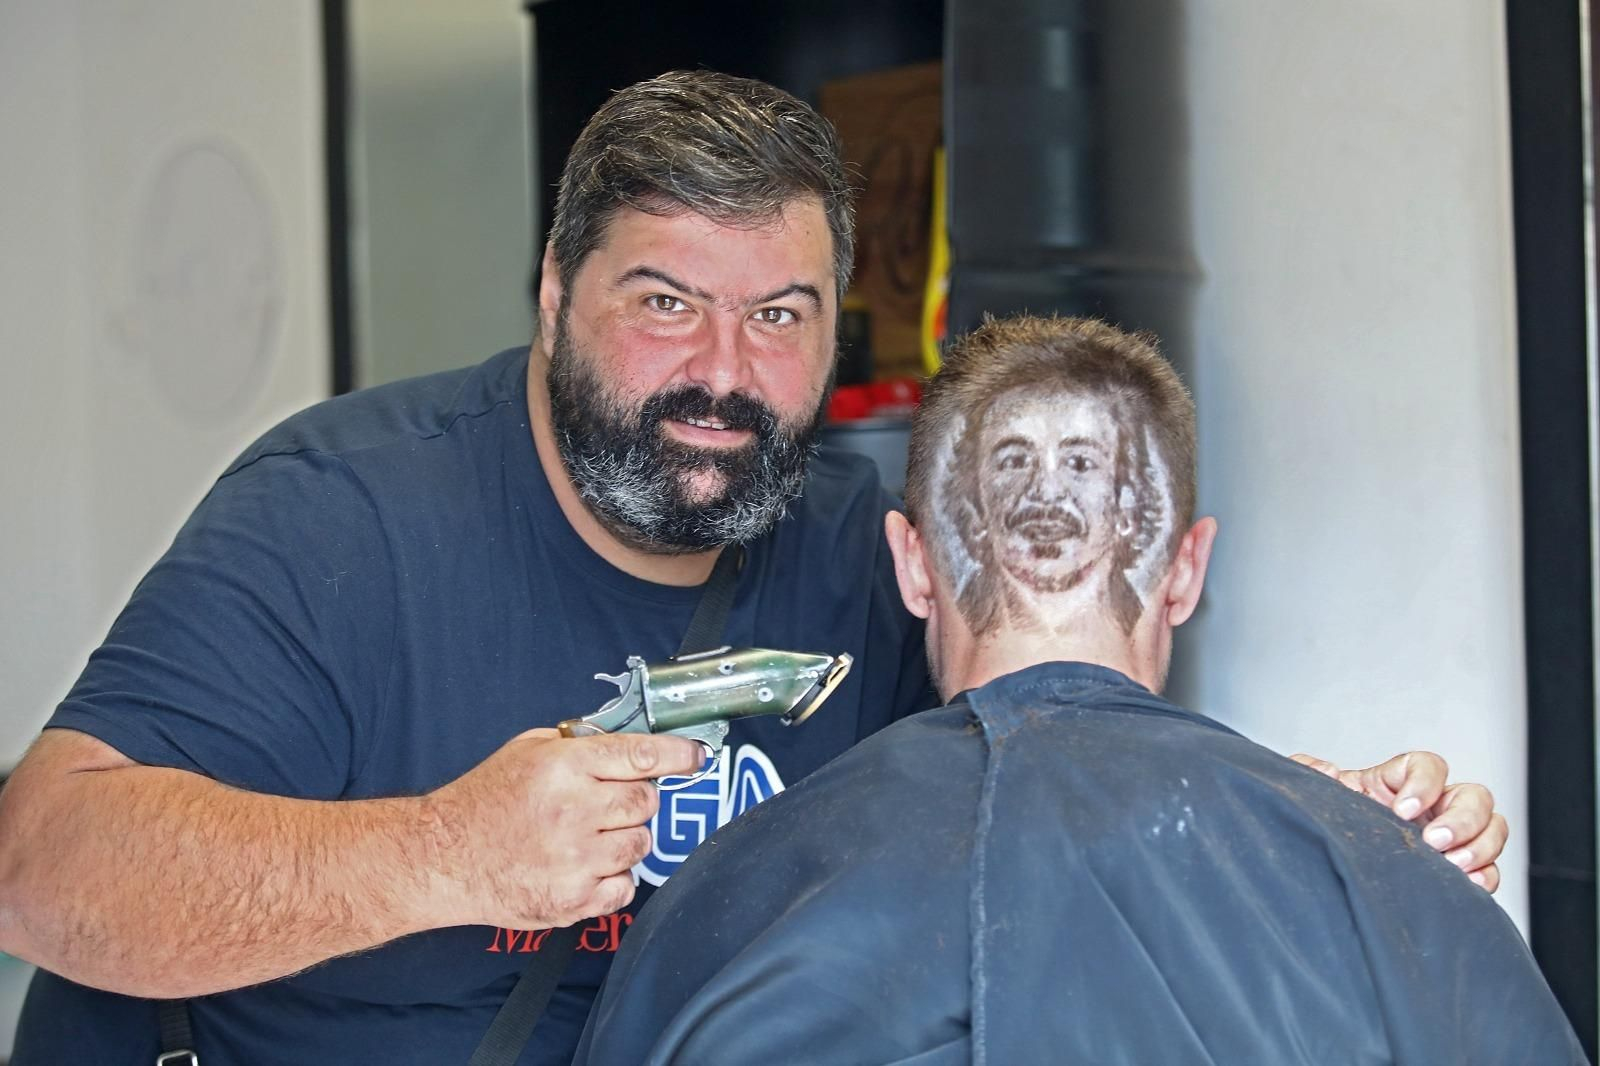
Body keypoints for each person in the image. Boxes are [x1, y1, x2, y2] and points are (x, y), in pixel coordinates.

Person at [0, 75, 1502, 1065]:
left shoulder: (865, 552)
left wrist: (1314, 834)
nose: (723, 374)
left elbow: (1065, 754)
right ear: (550, 292)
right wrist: (445, 854)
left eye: (781, 314)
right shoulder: (341, 521)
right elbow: (44, 869)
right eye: (665, 301)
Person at [573, 314, 1573, 1065]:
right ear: (1186, 568)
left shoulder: (725, 900)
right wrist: (1338, 851)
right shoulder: (1396, 891)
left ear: (912, 565)